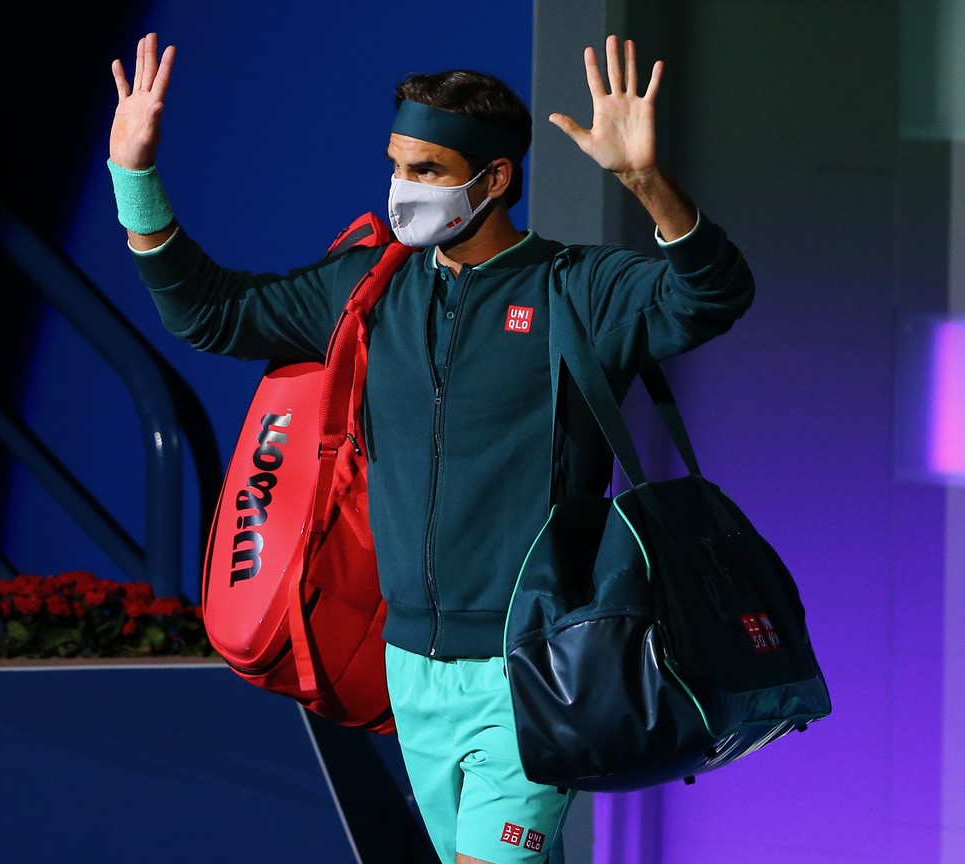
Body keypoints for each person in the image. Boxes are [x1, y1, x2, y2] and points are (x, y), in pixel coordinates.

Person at [106, 32, 754, 864]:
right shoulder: (369, 285)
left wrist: (645, 184)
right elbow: (212, 313)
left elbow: (712, 294)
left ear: (494, 180)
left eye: (427, 171)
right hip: (409, 667)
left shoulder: (573, 286)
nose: (402, 189)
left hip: (534, 662)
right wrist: (136, 179)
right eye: (397, 164)